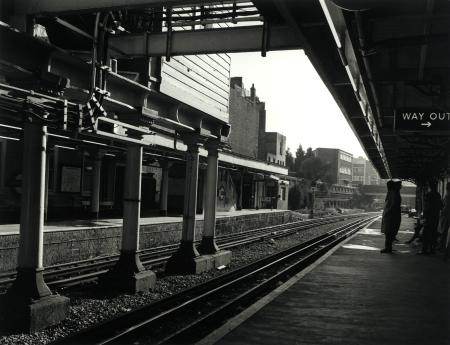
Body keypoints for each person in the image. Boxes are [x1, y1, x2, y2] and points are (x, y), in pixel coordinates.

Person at [419, 180, 442, 255]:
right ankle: (432, 249)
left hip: (429, 217)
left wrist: (424, 216)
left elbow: (426, 207)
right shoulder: (438, 195)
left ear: (430, 187)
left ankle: (424, 250)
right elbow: (441, 206)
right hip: (436, 217)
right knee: (433, 233)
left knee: (425, 233)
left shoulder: (428, 195)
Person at [380, 180, 402, 253]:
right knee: (390, 232)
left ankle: (388, 248)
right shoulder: (394, 193)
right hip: (393, 215)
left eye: (388, 186)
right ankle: (388, 247)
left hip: (391, 216)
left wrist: (388, 212)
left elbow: (392, 205)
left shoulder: (393, 194)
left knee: (389, 232)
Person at [437, 182, 450, 258]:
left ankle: (442, 246)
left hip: (446, 216)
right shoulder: (447, 195)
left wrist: (442, 210)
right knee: (444, 231)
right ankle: (442, 246)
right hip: (446, 215)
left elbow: (446, 206)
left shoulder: (448, 195)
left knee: (444, 231)